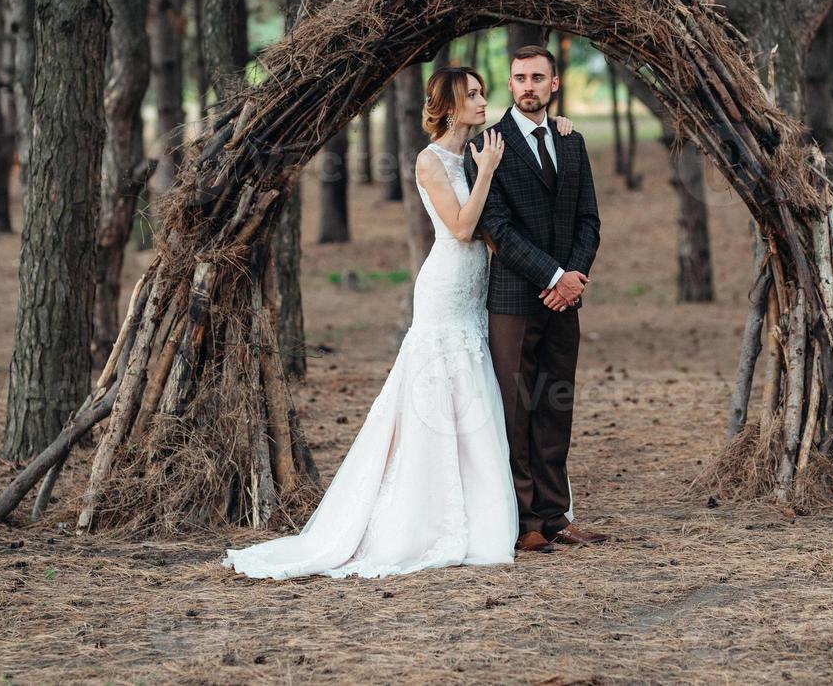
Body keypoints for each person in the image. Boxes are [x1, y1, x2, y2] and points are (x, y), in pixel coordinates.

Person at [221, 65, 578, 579]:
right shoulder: (431, 161)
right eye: (473, 95)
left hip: (476, 286)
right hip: (446, 285)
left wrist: (553, 125)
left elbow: (523, 148)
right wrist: (487, 176)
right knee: (434, 392)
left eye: (482, 94)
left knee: (475, 396)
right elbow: (459, 228)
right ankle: (422, 512)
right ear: (451, 106)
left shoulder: (479, 151)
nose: (484, 102)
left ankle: (488, 512)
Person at [463, 45, 607, 553]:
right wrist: (551, 274)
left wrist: (574, 277)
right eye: (520, 77)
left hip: (566, 299)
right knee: (516, 409)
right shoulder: (486, 145)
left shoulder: (572, 142)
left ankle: (555, 515)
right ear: (510, 82)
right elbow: (495, 226)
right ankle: (524, 521)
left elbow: (589, 219)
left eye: (537, 77)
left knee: (555, 405)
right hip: (514, 300)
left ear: (554, 84)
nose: (528, 85)